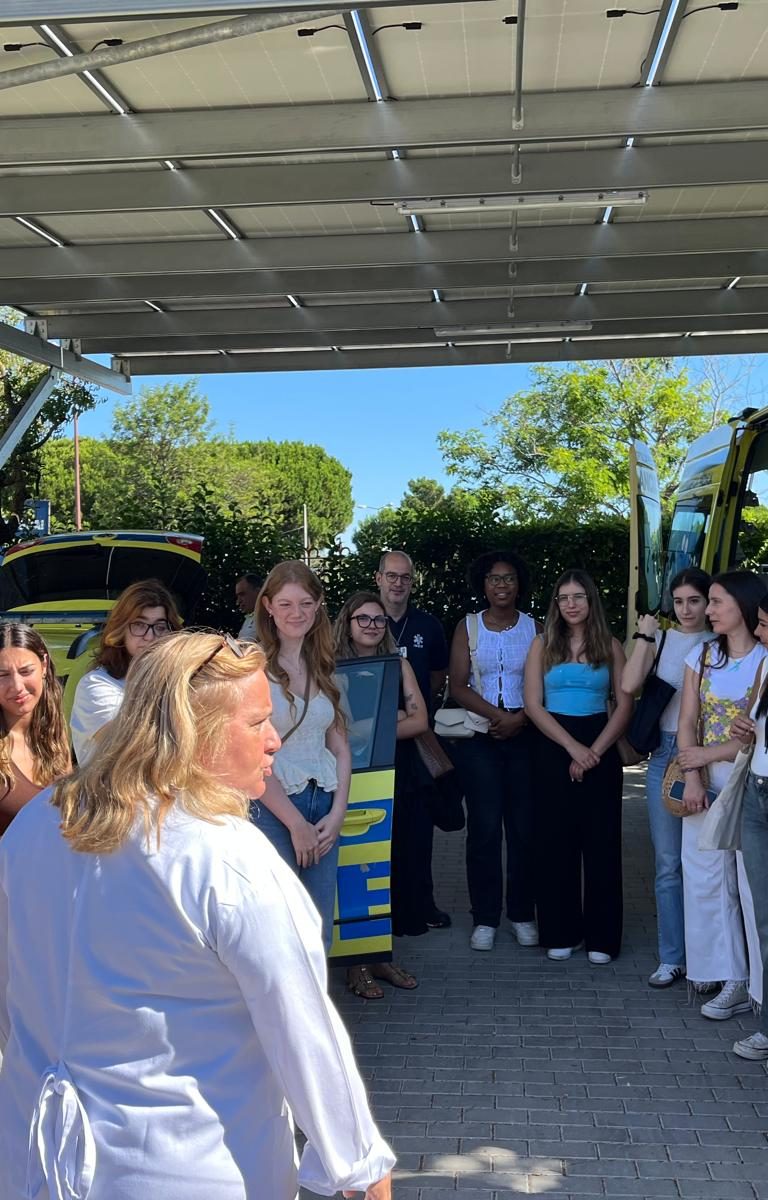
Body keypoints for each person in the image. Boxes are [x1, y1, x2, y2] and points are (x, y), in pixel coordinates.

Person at [0, 631, 394, 1200]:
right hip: (190, 1166)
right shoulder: (227, 855)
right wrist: (360, 1166)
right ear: (196, 731)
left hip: (33, 1161)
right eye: (258, 721)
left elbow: (10, 996)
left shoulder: (36, 821)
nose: (275, 740)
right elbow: (303, 1028)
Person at [524, 569, 632, 964]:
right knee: (554, 842)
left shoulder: (611, 645)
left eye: (578, 597)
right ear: (556, 603)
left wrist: (594, 751)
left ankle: (602, 937)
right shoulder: (541, 644)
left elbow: (625, 705)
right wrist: (572, 747)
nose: (571, 604)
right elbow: (532, 704)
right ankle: (560, 931)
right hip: (553, 745)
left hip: (599, 744)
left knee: (602, 842)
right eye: (564, 597)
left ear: (591, 601)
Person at [677, 569, 766, 1021]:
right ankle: (725, 975)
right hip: (704, 780)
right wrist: (693, 776)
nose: (707, 610)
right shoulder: (702, 655)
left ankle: (758, 986)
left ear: (744, 604)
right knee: (705, 879)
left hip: (748, 781)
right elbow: (686, 721)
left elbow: (754, 736)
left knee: (751, 886)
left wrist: (703, 756)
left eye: (715, 601)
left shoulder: (765, 659)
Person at [621, 567, 713, 989]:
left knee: (707, 864)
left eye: (695, 601)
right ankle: (672, 956)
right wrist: (645, 635)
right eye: (678, 602)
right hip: (664, 754)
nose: (686, 610)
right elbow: (628, 684)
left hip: (708, 755)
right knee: (667, 864)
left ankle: (708, 959)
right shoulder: (661, 640)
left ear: (709, 602)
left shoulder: (720, 642)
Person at [252, 561, 351, 953]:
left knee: (318, 929)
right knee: (278, 931)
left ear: (318, 605)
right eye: (286, 604)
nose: (297, 613)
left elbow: (339, 746)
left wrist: (338, 812)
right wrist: (295, 823)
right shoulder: (251, 667)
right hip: (271, 811)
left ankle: (314, 996)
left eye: (306, 603)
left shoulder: (323, 664)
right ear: (268, 607)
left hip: (322, 805)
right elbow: (250, 756)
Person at [334, 591, 427, 997]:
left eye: (378, 620)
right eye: (363, 619)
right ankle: (356, 964)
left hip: (395, 775)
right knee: (355, 868)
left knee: (390, 868)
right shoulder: (330, 666)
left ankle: (380, 956)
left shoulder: (398, 664)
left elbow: (420, 721)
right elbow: (335, 729)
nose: (372, 626)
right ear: (347, 622)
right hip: (347, 778)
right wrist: (388, 720)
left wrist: (366, 728)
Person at [447, 550, 539, 952]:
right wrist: (499, 716)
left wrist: (520, 718)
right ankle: (485, 918)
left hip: (526, 737)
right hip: (479, 739)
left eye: (509, 578)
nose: (502, 585)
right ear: (482, 585)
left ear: (519, 584)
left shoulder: (536, 628)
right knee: (484, 829)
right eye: (494, 578)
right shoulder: (467, 627)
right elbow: (458, 685)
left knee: (523, 829)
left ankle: (521, 914)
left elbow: (544, 682)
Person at [376, 548, 451, 930]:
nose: (398, 583)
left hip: (417, 742)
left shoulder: (428, 626)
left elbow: (437, 676)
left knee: (419, 828)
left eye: (405, 577)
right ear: (378, 578)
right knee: (380, 827)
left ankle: (423, 905)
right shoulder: (364, 619)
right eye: (391, 575)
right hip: (372, 745)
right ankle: (381, 908)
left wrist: (412, 711)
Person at [69, 579, 182, 762]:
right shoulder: (95, 684)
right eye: (139, 625)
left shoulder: (178, 682)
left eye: (160, 627)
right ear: (121, 630)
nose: (150, 636)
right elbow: (129, 748)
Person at [730, 590, 768, 1060]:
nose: (758, 633)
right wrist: (746, 728)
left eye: (765, 624)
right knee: (764, 920)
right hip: (756, 795)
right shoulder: (766, 664)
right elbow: (751, 725)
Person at [0, 623, 70, 837]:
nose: (17, 686)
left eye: (25, 671)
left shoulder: (54, 732)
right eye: (2, 675)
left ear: (44, 665)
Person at [235, 572, 263, 641]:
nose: (238, 601)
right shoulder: (249, 618)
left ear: (258, 591)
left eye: (242, 594)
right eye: (238, 596)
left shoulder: (272, 617)